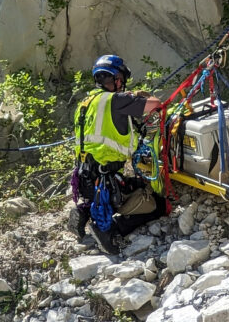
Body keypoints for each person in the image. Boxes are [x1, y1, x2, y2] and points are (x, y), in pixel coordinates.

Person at [69, 54, 167, 254]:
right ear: (117, 79)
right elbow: (155, 104)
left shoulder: (86, 103)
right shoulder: (116, 100)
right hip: (106, 181)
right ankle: (111, 231)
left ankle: (84, 210)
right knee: (159, 205)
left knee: (136, 185)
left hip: (85, 177)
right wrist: (141, 96)